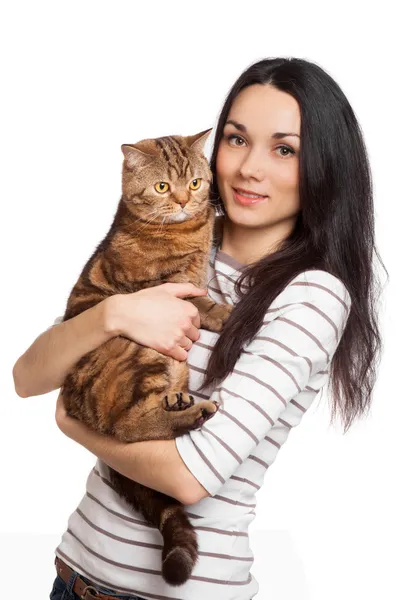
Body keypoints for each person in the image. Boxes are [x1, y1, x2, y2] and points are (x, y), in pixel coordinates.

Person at [13, 57, 385, 600]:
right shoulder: (170, 234)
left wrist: (73, 422)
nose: (248, 168)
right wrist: (113, 314)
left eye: (284, 149)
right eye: (236, 140)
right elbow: (27, 374)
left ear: (323, 168)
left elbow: (192, 476)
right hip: (72, 577)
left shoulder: (312, 295)